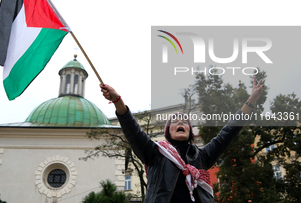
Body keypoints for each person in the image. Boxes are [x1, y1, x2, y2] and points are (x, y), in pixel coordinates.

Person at [100, 76, 265, 203]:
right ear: (168, 131)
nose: (180, 122)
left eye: (185, 122)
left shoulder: (201, 156)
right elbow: (133, 131)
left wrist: (250, 101)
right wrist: (117, 101)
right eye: (175, 121)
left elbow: (228, 132)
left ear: (190, 131)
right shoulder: (155, 154)